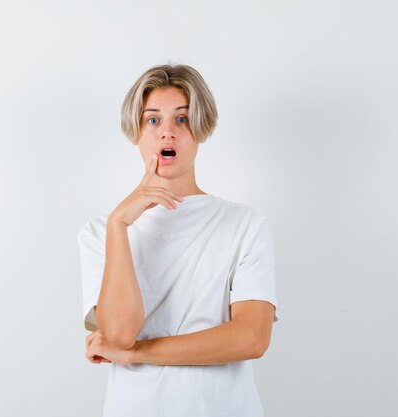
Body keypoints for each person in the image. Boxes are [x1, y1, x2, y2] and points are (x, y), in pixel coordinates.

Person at [77, 63, 279, 417]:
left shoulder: (244, 223)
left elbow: (251, 338)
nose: (167, 132)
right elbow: (121, 334)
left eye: (182, 119)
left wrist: (137, 353)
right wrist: (119, 224)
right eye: (153, 120)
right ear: (136, 132)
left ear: (200, 129)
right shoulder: (101, 233)